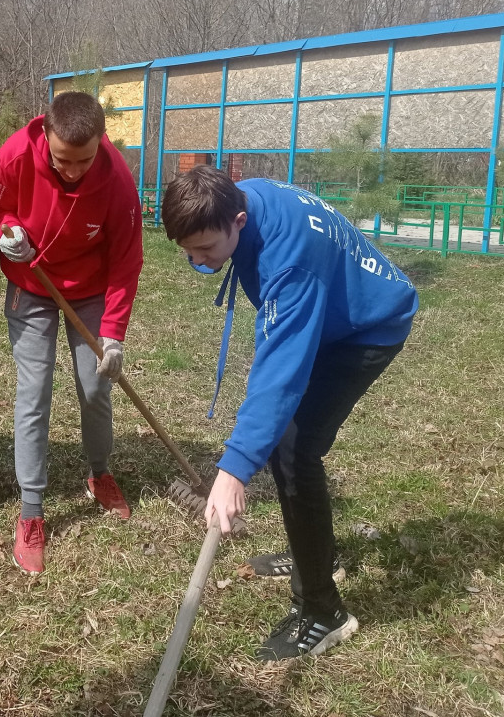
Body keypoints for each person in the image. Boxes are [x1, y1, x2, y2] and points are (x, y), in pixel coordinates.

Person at [160, 165, 418, 660]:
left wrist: (234, 470)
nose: (197, 261)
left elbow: (280, 373)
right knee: (288, 445)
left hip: (367, 328)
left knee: (295, 450)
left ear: (238, 220)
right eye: (187, 251)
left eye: (205, 249)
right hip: (329, 311)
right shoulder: (240, 197)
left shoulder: (289, 262)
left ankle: (323, 610)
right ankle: (317, 557)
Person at [0, 91, 144, 576]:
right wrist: (8, 229)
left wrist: (113, 334)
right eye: (62, 159)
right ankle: (31, 511)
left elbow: (127, 260)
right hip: (31, 284)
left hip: (89, 292)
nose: (72, 171)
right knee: (34, 392)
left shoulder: (117, 179)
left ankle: (99, 474)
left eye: (83, 160)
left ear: (101, 142)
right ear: (46, 137)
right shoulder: (15, 153)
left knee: (95, 387)